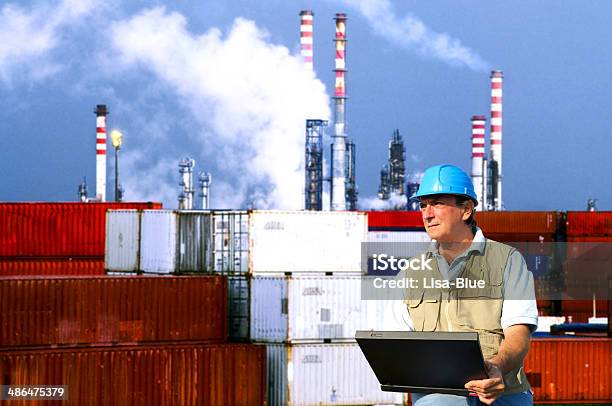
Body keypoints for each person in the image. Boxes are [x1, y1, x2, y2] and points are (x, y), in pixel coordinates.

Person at [397, 164, 538, 406]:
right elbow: (398, 342)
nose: (427, 214)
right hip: (438, 397)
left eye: (438, 203)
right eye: (422, 205)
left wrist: (496, 368)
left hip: (502, 396)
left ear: (466, 210)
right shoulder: (410, 271)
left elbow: (519, 333)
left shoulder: (507, 261)